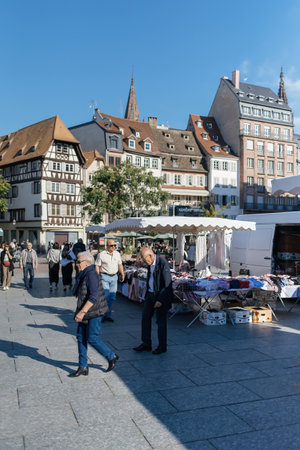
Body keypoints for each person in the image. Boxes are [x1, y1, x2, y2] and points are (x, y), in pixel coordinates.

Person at [68, 251, 119, 377]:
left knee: (92, 337)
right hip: (86, 310)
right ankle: (83, 366)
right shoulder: (83, 274)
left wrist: (82, 312)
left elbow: (93, 296)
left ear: (87, 263)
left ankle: (111, 356)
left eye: (79, 262)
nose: (76, 264)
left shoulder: (91, 274)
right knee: (80, 337)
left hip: (95, 311)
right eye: (77, 261)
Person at [133, 247, 173, 355]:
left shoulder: (162, 263)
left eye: (145, 259)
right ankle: (146, 344)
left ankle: (162, 346)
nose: (144, 262)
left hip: (160, 296)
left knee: (160, 322)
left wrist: (160, 299)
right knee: (145, 318)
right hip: (150, 295)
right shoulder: (150, 264)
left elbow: (167, 284)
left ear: (150, 255)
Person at [95, 239, 124, 322]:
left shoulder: (117, 254)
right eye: (111, 245)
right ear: (107, 246)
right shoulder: (101, 255)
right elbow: (97, 266)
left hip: (114, 277)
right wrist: (97, 276)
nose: (113, 247)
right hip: (104, 276)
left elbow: (120, 264)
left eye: (115, 245)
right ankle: (103, 314)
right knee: (106, 296)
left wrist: (122, 274)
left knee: (112, 297)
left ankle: (107, 315)